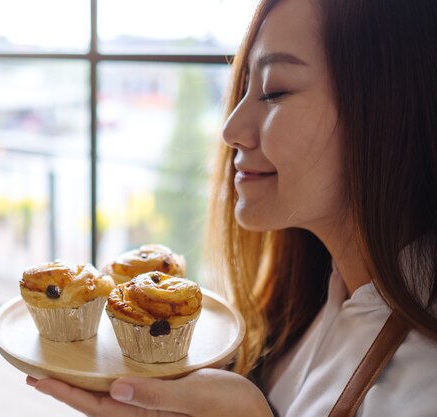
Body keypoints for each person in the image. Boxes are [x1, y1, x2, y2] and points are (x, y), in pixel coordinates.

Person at [25, 0, 437, 415]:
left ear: (390, 106)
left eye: (275, 91)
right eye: (243, 91)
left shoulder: (420, 386)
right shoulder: (308, 299)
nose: (230, 130)